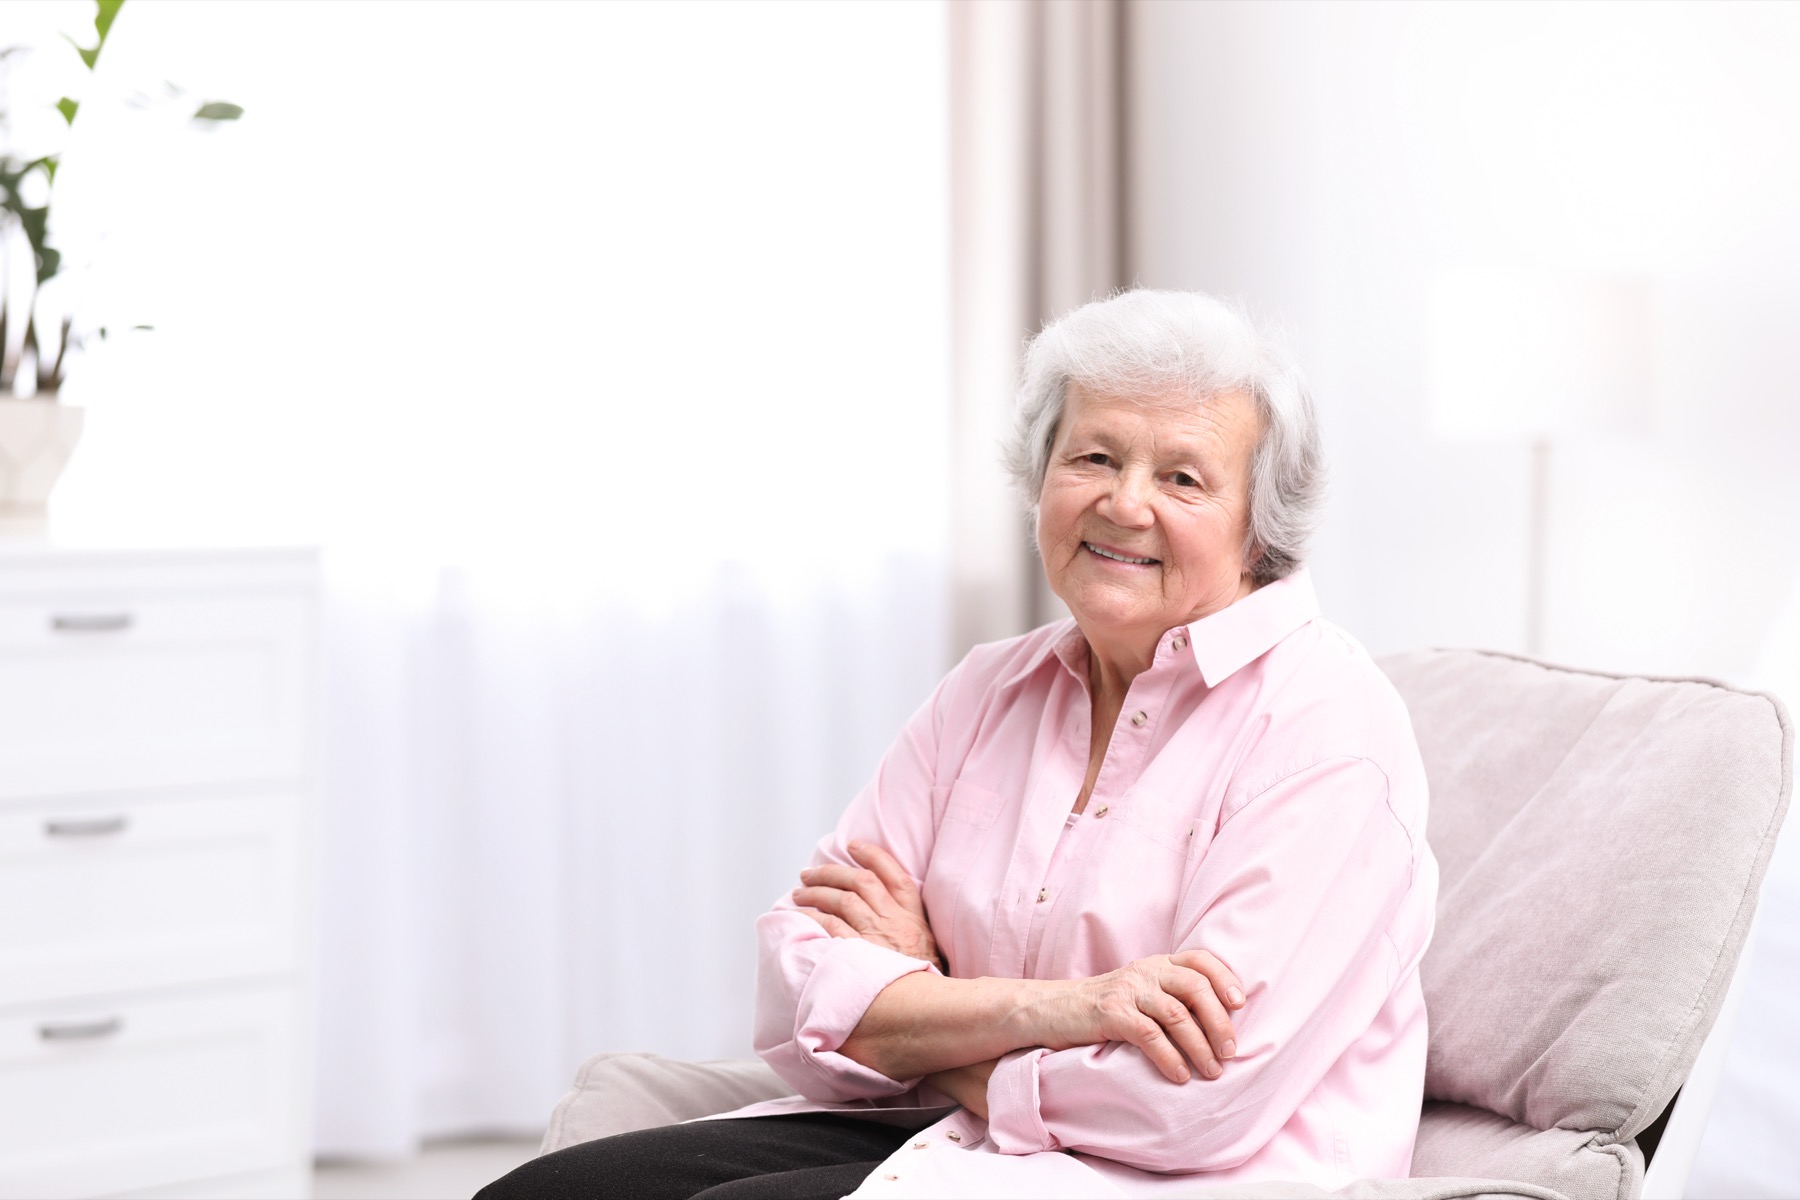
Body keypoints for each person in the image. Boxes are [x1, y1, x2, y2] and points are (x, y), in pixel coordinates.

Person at [479, 289, 1438, 1199]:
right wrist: (1064, 1009)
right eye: (1093, 458)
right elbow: (799, 977)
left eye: (1182, 477)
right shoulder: (988, 689)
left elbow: (1191, 1102)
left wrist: (932, 1011)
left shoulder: (1326, 731)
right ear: (1040, 478)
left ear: (1258, 534)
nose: (1124, 504)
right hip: (941, 1132)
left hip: (1162, 1181)